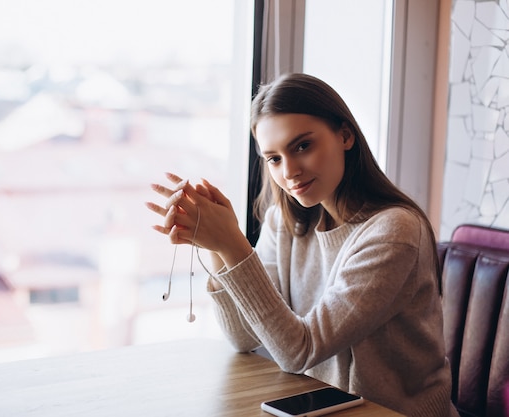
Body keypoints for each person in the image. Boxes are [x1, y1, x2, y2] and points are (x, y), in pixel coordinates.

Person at [146, 73, 458, 417]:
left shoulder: (393, 231)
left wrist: (232, 243)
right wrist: (212, 244)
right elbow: (243, 337)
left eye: (302, 146)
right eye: (274, 158)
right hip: (326, 409)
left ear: (345, 135)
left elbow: (299, 351)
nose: (290, 171)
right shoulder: (288, 220)